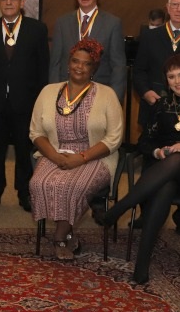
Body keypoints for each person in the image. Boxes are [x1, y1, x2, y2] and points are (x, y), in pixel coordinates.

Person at [102, 54, 180, 282]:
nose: (178, 81)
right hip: (163, 174)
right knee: (165, 187)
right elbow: (145, 142)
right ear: (166, 81)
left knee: (178, 159)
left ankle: (121, 207)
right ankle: (141, 266)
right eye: (171, 76)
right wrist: (158, 152)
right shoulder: (161, 105)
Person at [30, 39, 123, 259]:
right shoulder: (48, 91)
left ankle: (60, 238)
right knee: (39, 182)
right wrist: (55, 157)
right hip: (54, 153)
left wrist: (80, 158)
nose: (79, 67)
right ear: (68, 63)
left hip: (95, 156)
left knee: (72, 185)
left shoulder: (107, 94)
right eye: (75, 61)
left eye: (86, 63)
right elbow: (36, 132)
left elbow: (114, 138)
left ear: (94, 68)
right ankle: (69, 232)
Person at [0, 0, 49, 212]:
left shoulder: (37, 29)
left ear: (22, 2)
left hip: (25, 103)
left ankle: (24, 192)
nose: (8, 2)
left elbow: (42, 68)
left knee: (23, 150)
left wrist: (40, 101)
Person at [49, 0, 126, 101]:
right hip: (66, 93)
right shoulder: (62, 23)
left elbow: (118, 65)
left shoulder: (112, 23)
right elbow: (55, 63)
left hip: (100, 94)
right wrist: (54, 94)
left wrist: (115, 99)